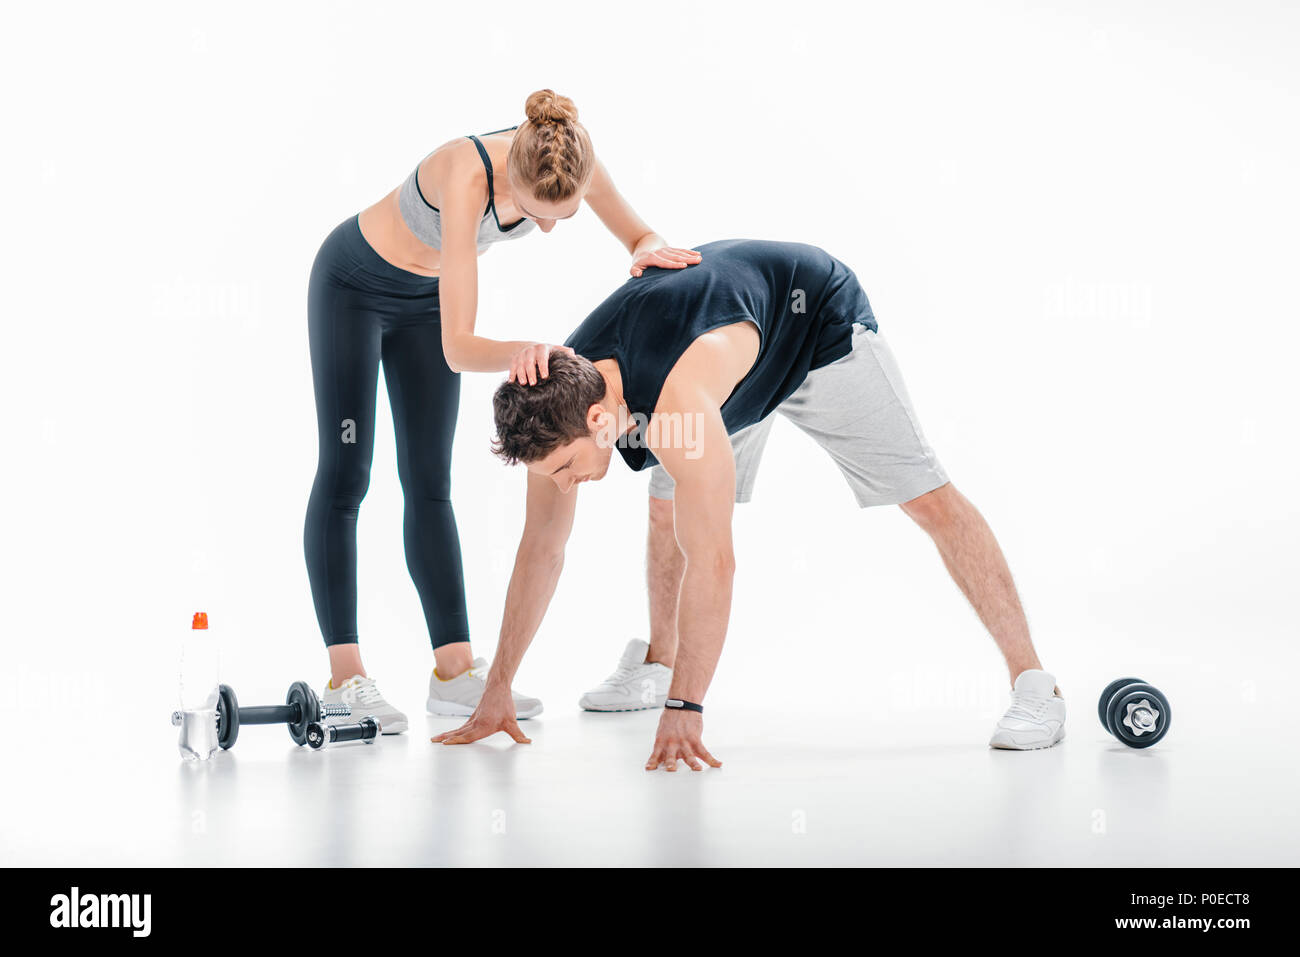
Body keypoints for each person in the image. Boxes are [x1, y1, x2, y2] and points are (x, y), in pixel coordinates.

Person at [433, 239, 1065, 768]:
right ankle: (660, 661)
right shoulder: (556, 403)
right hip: (728, 352)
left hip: (811, 328)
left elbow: (715, 562)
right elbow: (541, 548)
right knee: (664, 506)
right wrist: (498, 689)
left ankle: (1035, 683)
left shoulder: (679, 400)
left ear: (601, 418)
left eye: (568, 469)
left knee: (927, 499)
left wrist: (688, 710)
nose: (564, 484)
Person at [304, 90, 700, 733]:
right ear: (510, 178)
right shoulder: (467, 175)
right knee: (349, 473)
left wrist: (649, 246)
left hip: (425, 300)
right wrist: (533, 350)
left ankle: (454, 673)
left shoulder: (563, 150)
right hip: (355, 287)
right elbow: (459, 349)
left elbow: (638, 233)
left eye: (562, 217)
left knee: (429, 481)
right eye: (537, 214)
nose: (545, 227)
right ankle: (346, 676)